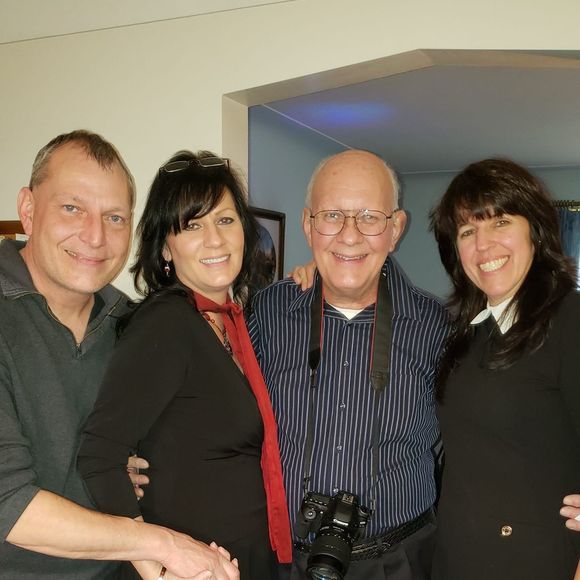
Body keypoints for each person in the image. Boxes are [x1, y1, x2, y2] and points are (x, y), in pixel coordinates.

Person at [0, 130, 239, 580]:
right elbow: (8, 503)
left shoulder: (130, 323)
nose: (95, 236)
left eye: (114, 217)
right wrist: (163, 545)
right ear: (27, 210)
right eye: (72, 208)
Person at [78, 150, 292, 579]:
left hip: (244, 558)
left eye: (225, 220)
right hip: (192, 569)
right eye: (192, 225)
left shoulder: (231, 322)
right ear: (165, 247)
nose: (215, 239)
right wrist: (155, 567)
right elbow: (99, 456)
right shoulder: (167, 323)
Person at [249, 150, 449, 579]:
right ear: (308, 226)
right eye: (332, 216)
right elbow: (217, 411)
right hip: (281, 561)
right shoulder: (267, 312)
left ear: (396, 229)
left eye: (370, 217)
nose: (350, 235)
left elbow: (482, 437)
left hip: (399, 562)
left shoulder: (438, 327)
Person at [429, 158, 580, 579]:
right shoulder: (470, 330)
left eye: (500, 222)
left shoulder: (569, 319)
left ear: (536, 230)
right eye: (467, 231)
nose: (483, 245)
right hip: (458, 557)